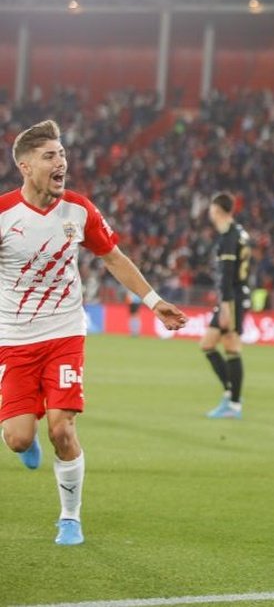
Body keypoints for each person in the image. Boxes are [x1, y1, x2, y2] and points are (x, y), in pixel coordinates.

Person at [0, 120, 187, 545]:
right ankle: (22, 438)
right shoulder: (4, 214)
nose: (61, 161)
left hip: (65, 333)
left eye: (62, 154)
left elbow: (114, 258)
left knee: (62, 429)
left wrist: (155, 302)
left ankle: (70, 518)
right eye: (50, 156)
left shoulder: (79, 210)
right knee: (18, 438)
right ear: (26, 167)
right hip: (14, 339)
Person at [202, 192, 252, 420]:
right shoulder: (240, 233)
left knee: (231, 347)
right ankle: (231, 394)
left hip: (232, 299)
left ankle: (233, 403)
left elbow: (227, 275)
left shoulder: (229, 237)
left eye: (211, 208)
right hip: (235, 296)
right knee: (208, 345)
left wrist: (225, 306)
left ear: (217, 210)